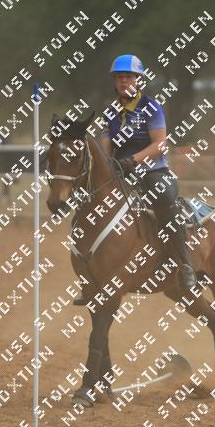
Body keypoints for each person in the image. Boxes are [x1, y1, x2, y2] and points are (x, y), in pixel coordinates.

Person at [75, 54, 196, 307]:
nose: (124, 81)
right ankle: (89, 278)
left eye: (129, 77)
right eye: (119, 77)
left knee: (164, 197)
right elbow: (106, 147)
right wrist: (105, 167)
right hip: (120, 173)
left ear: (138, 80)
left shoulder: (151, 107)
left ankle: (185, 265)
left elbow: (160, 144)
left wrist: (133, 160)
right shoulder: (110, 111)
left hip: (153, 172)